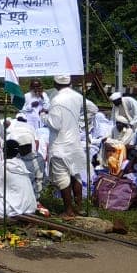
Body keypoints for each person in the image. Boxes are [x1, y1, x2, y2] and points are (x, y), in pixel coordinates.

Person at [43, 74, 87, 218]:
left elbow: (55, 124)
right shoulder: (78, 96)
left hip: (60, 145)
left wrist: (44, 117)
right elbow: (92, 109)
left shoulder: (56, 99)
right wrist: (79, 122)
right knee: (76, 176)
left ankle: (68, 210)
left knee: (63, 179)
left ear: (55, 84)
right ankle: (79, 207)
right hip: (75, 144)